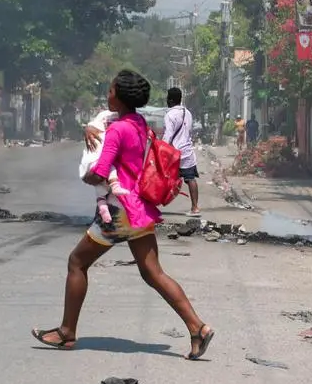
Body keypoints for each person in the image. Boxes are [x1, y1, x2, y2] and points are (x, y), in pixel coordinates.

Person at [32, 70, 214, 360]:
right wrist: (86, 129)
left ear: (120, 96)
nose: (107, 95)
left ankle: (67, 333)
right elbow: (102, 122)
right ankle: (197, 328)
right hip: (139, 208)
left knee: (76, 262)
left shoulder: (118, 130)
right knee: (153, 273)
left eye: (110, 91)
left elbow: (101, 172)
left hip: (118, 212)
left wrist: (87, 174)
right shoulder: (138, 123)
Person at [79, 110, 130, 223]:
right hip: (107, 166)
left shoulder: (131, 121)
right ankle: (101, 218)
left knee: (103, 191)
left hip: (120, 170)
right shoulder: (105, 117)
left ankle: (102, 218)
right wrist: (88, 129)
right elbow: (92, 127)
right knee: (103, 187)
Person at [163, 88, 200, 217]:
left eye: (168, 98)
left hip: (174, 152)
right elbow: (189, 131)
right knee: (191, 179)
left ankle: (151, 205)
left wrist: (162, 148)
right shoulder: (188, 113)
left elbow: (168, 134)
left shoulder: (169, 115)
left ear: (171, 100)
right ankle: (195, 208)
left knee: (160, 176)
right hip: (187, 151)